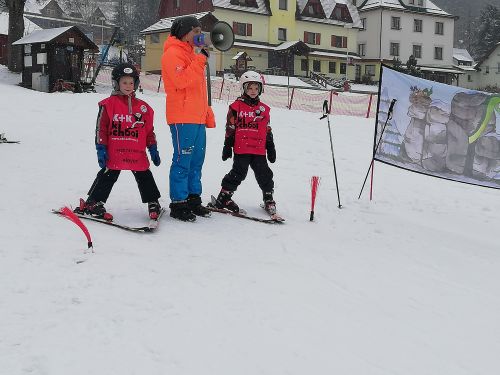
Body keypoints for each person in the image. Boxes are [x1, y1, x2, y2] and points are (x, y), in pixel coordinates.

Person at [74, 63, 162, 221]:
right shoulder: (108, 105)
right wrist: (101, 148)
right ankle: (92, 202)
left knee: (145, 176)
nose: (128, 86)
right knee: (107, 176)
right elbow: (101, 128)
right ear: (116, 83)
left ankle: (153, 202)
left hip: (137, 153)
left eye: (131, 82)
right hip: (116, 152)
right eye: (124, 82)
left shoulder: (144, 108)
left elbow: (148, 131)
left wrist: (153, 148)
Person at [213, 70, 277, 214]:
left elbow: (267, 128)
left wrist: (270, 146)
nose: (253, 91)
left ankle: (268, 198)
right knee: (238, 173)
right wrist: (227, 146)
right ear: (243, 88)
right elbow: (230, 127)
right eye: (250, 88)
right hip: (242, 148)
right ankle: (224, 197)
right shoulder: (236, 107)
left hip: (259, 149)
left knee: (264, 174)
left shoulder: (264, 109)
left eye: (256, 88)